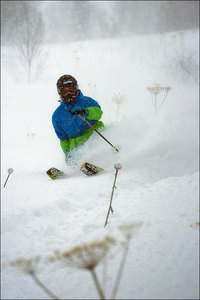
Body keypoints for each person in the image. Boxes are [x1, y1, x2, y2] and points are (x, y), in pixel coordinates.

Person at [52, 75, 104, 165]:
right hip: (78, 145)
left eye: (71, 90)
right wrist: (67, 153)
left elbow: (98, 113)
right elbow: (63, 138)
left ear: (76, 89)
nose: (69, 94)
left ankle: (107, 162)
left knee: (102, 146)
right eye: (65, 91)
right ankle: (78, 169)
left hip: (95, 135)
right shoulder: (57, 116)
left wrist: (86, 112)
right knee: (77, 157)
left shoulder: (87, 102)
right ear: (60, 93)